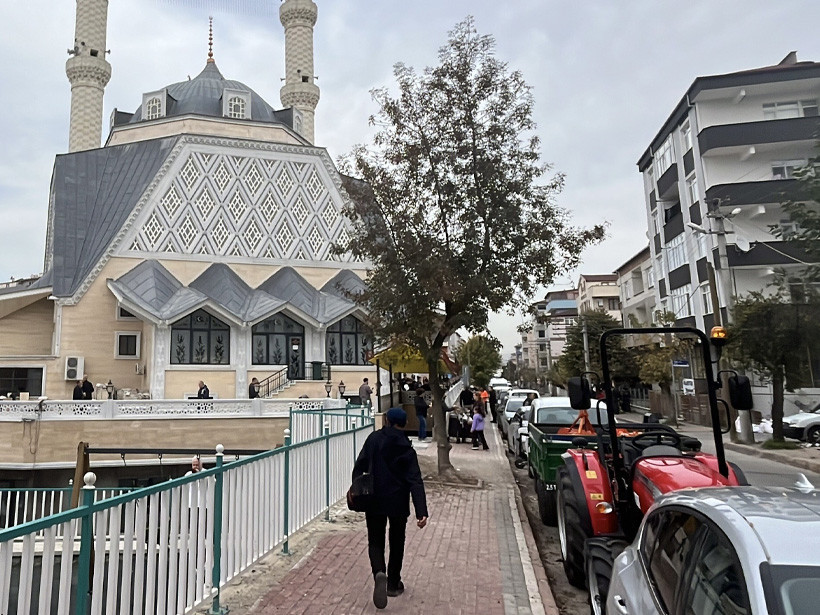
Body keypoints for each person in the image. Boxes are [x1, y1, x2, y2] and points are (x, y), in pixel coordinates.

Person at [352, 407, 428, 609]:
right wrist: (421, 511)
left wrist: (357, 488)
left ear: (386, 420)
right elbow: (415, 480)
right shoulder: (407, 448)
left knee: (375, 540)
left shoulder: (374, 439)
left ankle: (379, 572)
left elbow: (360, 465)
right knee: (397, 540)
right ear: (402, 424)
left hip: (374, 498)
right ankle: (393, 584)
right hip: (398, 501)